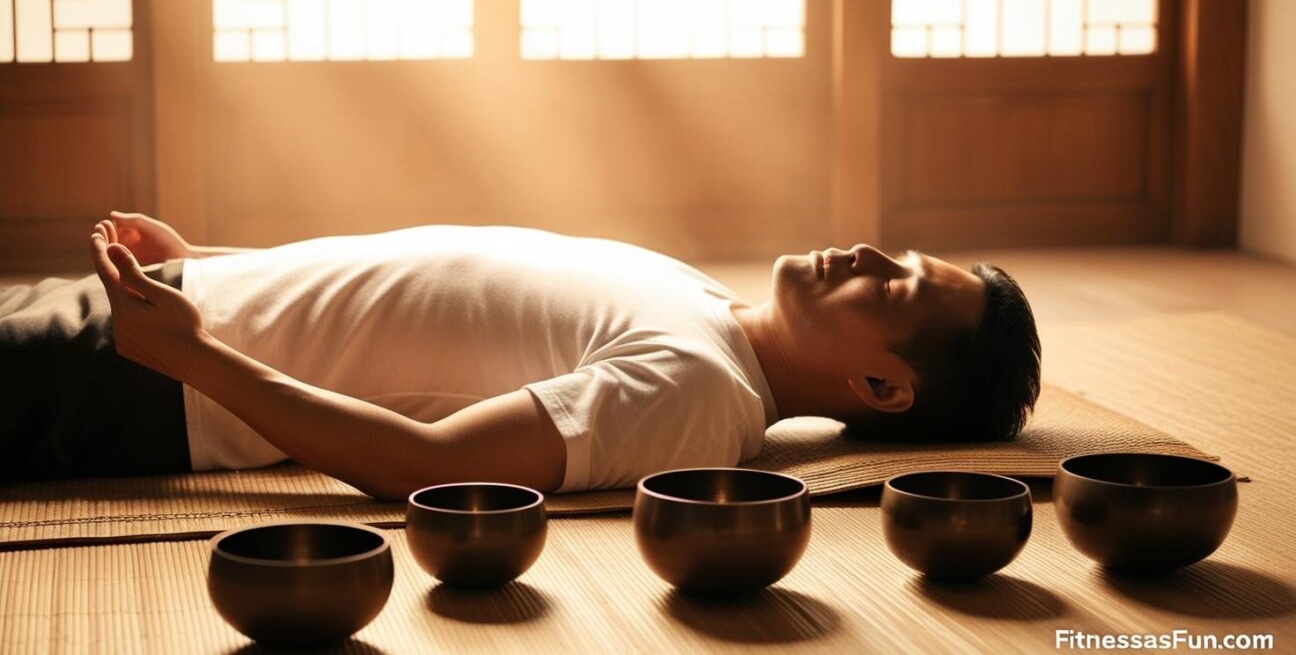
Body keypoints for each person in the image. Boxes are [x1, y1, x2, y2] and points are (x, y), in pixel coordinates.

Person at [1, 212, 1041, 499]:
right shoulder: (702, 302)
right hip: (169, 313)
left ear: (879, 386)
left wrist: (200, 359)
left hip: (148, 378)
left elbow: (435, 467)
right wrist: (215, 263)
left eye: (893, 281)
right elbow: (425, 287)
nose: (863, 249)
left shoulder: (698, 393)